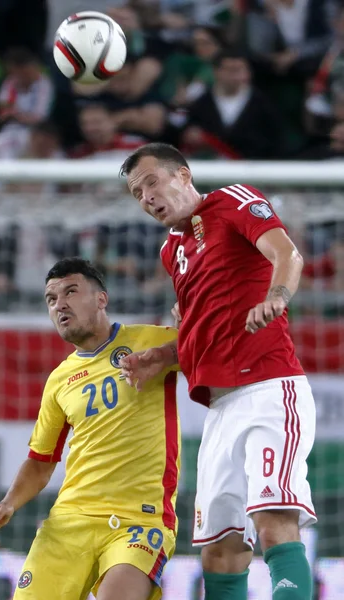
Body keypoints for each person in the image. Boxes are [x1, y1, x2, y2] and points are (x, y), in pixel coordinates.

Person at [119, 143, 316, 600]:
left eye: (152, 182)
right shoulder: (173, 250)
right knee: (220, 550)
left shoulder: (233, 201)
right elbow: (198, 326)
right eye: (136, 193)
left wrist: (277, 298)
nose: (146, 197)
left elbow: (288, 255)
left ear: (183, 176)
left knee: (273, 522)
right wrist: (162, 356)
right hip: (219, 408)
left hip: (270, 388)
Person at [0, 257, 180, 600]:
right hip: (70, 521)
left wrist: (192, 325)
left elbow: (211, 350)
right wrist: (9, 502)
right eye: (51, 299)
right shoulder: (59, 380)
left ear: (102, 299)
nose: (60, 304)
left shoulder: (153, 340)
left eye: (71, 292)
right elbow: (42, 460)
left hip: (140, 520)